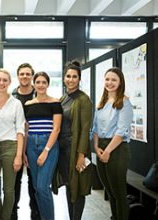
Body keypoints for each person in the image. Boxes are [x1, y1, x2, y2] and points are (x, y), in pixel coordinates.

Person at [92, 67, 133, 220]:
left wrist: (107, 151)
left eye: (114, 80)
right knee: (110, 191)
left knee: (119, 192)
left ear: (120, 82)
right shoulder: (102, 103)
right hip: (101, 147)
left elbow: (121, 132)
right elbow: (95, 128)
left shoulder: (124, 102)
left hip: (117, 149)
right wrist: (96, 147)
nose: (110, 82)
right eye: (107, 79)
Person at [54, 61, 93, 220]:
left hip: (76, 150)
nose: (71, 79)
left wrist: (81, 154)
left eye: (74, 77)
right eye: (68, 76)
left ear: (79, 79)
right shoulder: (63, 98)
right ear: (64, 78)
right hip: (63, 151)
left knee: (77, 188)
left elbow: (85, 129)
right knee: (70, 187)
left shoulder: (84, 100)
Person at [0, 69, 25, 220]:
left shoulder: (16, 103)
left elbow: (20, 130)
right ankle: (2, 215)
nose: (1, 83)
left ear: (9, 82)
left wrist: (18, 156)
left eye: (5, 80)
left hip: (11, 147)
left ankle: (4, 218)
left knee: (8, 190)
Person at [24, 71, 62, 220]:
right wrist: (23, 153)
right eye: (38, 82)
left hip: (49, 144)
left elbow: (56, 129)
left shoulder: (55, 102)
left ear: (47, 84)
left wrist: (46, 151)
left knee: (42, 187)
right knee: (36, 188)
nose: (40, 85)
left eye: (43, 82)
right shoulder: (28, 104)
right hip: (31, 144)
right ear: (34, 84)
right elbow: (26, 129)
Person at [11, 63, 41, 220]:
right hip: (15, 143)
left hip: (34, 144)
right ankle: (12, 211)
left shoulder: (39, 95)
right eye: (22, 74)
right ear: (18, 76)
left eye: (28, 74)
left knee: (33, 180)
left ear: (32, 76)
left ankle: (35, 212)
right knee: (14, 180)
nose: (25, 76)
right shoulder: (11, 96)